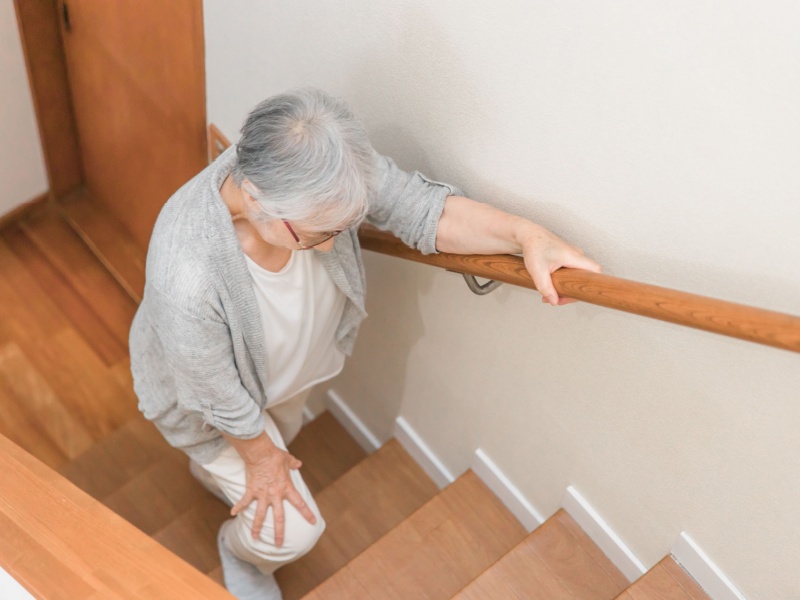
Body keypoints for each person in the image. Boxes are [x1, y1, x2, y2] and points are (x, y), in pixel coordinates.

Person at [129, 88, 600, 600]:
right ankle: (239, 550)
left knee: (280, 427)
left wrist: (526, 236)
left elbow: (421, 210)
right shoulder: (187, 271)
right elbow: (216, 393)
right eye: (318, 236)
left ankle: (219, 476)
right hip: (215, 407)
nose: (333, 246)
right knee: (292, 532)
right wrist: (262, 460)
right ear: (258, 201)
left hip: (281, 380)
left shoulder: (324, 167)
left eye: (343, 227)